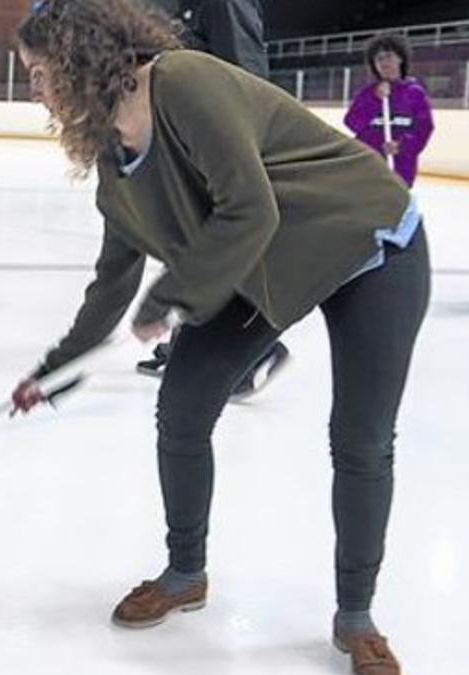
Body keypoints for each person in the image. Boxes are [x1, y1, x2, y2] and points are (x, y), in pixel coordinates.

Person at [11, 1, 428, 672]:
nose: (35, 88)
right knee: (180, 409)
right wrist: (57, 368)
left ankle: (357, 617)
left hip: (367, 244)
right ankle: (185, 573)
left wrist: (174, 296)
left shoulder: (184, 81)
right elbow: (112, 285)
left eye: (39, 71)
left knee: (360, 440)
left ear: (79, 59)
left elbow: (249, 208)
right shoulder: (116, 169)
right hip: (262, 266)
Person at [135, 0, 290, 399]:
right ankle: (188, 345)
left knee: (217, 246)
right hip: (177, 137)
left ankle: (255, 351)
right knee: (186, 245)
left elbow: (247, 72)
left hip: (212, 140)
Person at [345, 33, 435, 188]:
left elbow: (424, 128)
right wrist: (375, 100)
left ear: (400, 58)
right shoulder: (367, 93)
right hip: (369, 168)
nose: (384, 62)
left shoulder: (414, 93)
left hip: (400, 169)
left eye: (388, 56)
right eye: (379, 59)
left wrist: (402, 146)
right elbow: (352, 122)